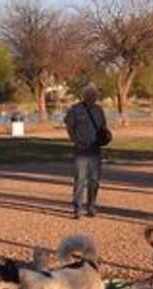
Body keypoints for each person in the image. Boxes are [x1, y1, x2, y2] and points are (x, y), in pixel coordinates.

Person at [64, 83, 108, 219]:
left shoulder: (99, 110)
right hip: (81, 149)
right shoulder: (75, 110)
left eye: (95, 95)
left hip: (95, 148)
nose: (93, 97)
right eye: (90, 95)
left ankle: (91, 206)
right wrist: (75, 141)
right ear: (84, 96)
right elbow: (69, 126)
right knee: (80, 179)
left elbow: (103, 127)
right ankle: (77, 208)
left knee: (94, 180)